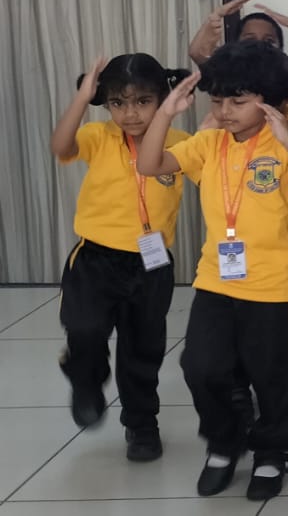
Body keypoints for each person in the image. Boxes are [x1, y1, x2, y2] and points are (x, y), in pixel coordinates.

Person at [136, 40, 288, 501]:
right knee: (199, 366)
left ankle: (271, 451)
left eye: (238, 102)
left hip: (273, 286)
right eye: (218, 101)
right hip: (216, 281)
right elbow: (149, 164)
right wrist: (165, 113)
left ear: (269, 102)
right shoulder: (208, 144)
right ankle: (224, 442)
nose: (225, 111)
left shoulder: (283, 146)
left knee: (271, 377)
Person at [50, 54, 190, 463]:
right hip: (95, 258)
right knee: (84, 328)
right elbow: (61, 146)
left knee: (143, 348)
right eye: (118, 103)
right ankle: (86, 380)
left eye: (143, 101)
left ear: (162, 98)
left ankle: (142, 425)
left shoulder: (181, 143)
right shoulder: (98, 135)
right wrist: (82, 98)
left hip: (151, 264)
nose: (130, 114)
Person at [187, 0, 288, 306]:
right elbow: (199, 54)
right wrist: (212, 21)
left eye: (270, 41)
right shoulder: (228, 89)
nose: (261, 45)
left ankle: (287, 302)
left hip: (285, 183)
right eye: (250, 39)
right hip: (235, 182)